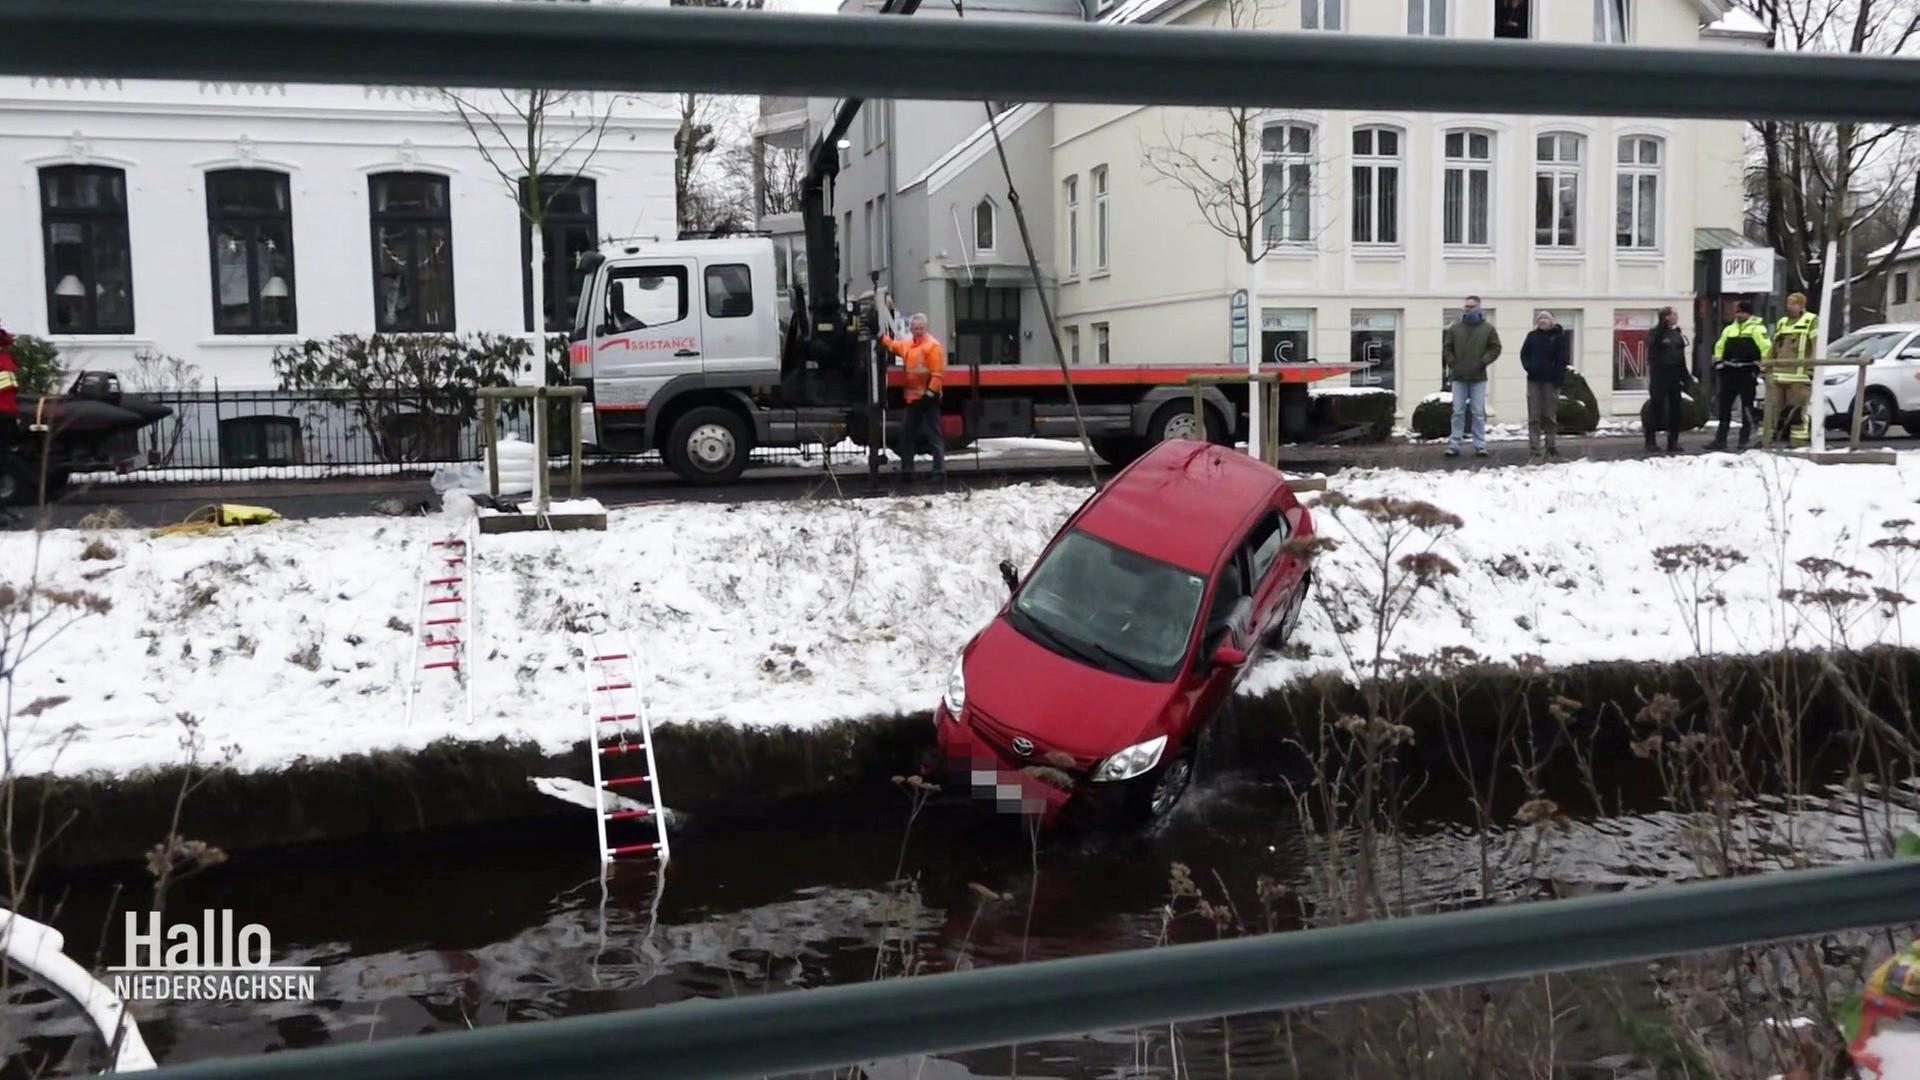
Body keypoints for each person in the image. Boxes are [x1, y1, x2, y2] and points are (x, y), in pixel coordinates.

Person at [880, 312, 947, 482]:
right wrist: (882, 338)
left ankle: (939, 473)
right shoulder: (908, 345)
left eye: (921, 328)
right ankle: (907, 471)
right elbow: (894, 346)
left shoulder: (932, 346)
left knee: (934, 436)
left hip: (929, 400)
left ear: (926, 328)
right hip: (913, 400)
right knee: (907, 436)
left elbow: (937, 374)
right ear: (911, 328)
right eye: (915, 328)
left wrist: (930, 393)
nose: (918, 331)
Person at [1442, 296, 1501, 458]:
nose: (1468, 309)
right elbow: (1447, 348)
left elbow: (1496, 348)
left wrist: (1484, 360)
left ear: (1479, 308)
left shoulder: (1488, 329)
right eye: (1466, 306)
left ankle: (1480, 445)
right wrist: (1452, 361)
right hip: (1459, 376)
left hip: (1478, 376)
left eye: (1472, 306)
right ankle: (1454, 444)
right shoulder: (1455, 328)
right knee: (1458, 412)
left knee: (1478, 412)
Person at [1710, 300, 1770, 451]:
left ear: (1748, 313)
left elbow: (1766, 347)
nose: (1739, 315)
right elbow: (1719, 346)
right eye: (1737, 312)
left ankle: (1744, 439)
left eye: (1742, 312)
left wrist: (1762, 366)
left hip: (1747, 372)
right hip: (1730, 372)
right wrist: (1719, 364)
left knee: (1746, 407)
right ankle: (1720, 440)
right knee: (1724, 407)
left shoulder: (1757, 329)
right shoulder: (1729, 329)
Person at [1519, 310, 1570, 464]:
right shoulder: (1532, 337)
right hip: (1534, 380)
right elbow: (1524, 355)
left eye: (1546, 318)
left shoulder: (1559, 338)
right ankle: (1535, 451)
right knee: (1534, 416)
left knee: (1549, 416)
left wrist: (1557, 377)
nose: (1542, 321)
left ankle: (1551, 449)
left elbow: (1563, 360)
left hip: (1551, 382)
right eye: (1540, 318)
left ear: (1551, 321)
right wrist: (1530, 367)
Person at [1771, 291, 1818, 444]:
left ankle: (1798, 440)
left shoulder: (1810, 320)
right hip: (1779, 373)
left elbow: (1816, 345)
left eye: (1793, 303)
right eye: (1788, 303)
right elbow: (1774, 346)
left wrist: (1812, 367)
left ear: (1801, 305)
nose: (1789, 306)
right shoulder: (1782, 322)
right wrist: (1767, 364)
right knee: (1773, 408)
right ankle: (1769, 438)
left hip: (1799, 374)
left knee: (1798, 409)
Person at [1646, 307, 1691, 454]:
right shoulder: (1655, 333)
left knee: (1675, 410)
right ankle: (1650, 441)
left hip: (1675, 375)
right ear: (1666, 317)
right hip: (1660, 375)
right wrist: (1662, 326)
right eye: (1674, 315)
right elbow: (1653, 347)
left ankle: (1673, 442)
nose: (1676, 317)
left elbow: (1681, 357)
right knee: (1657, 407)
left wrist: (1686, 377)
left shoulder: (1677, 334)